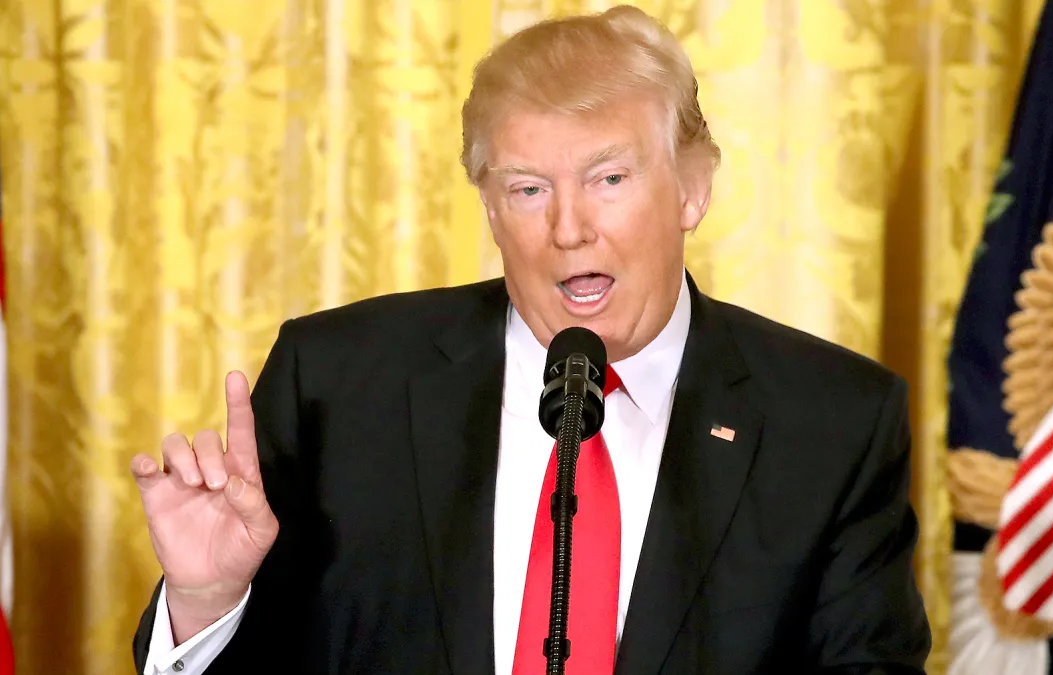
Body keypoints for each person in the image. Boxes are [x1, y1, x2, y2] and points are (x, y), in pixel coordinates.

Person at [130, 5, 931, 674]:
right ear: (488, 209)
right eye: (528, 189)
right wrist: (208, 602)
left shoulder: (832, 424)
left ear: (692, 187)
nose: (569, 228)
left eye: (609, 179)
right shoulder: (337, 386)